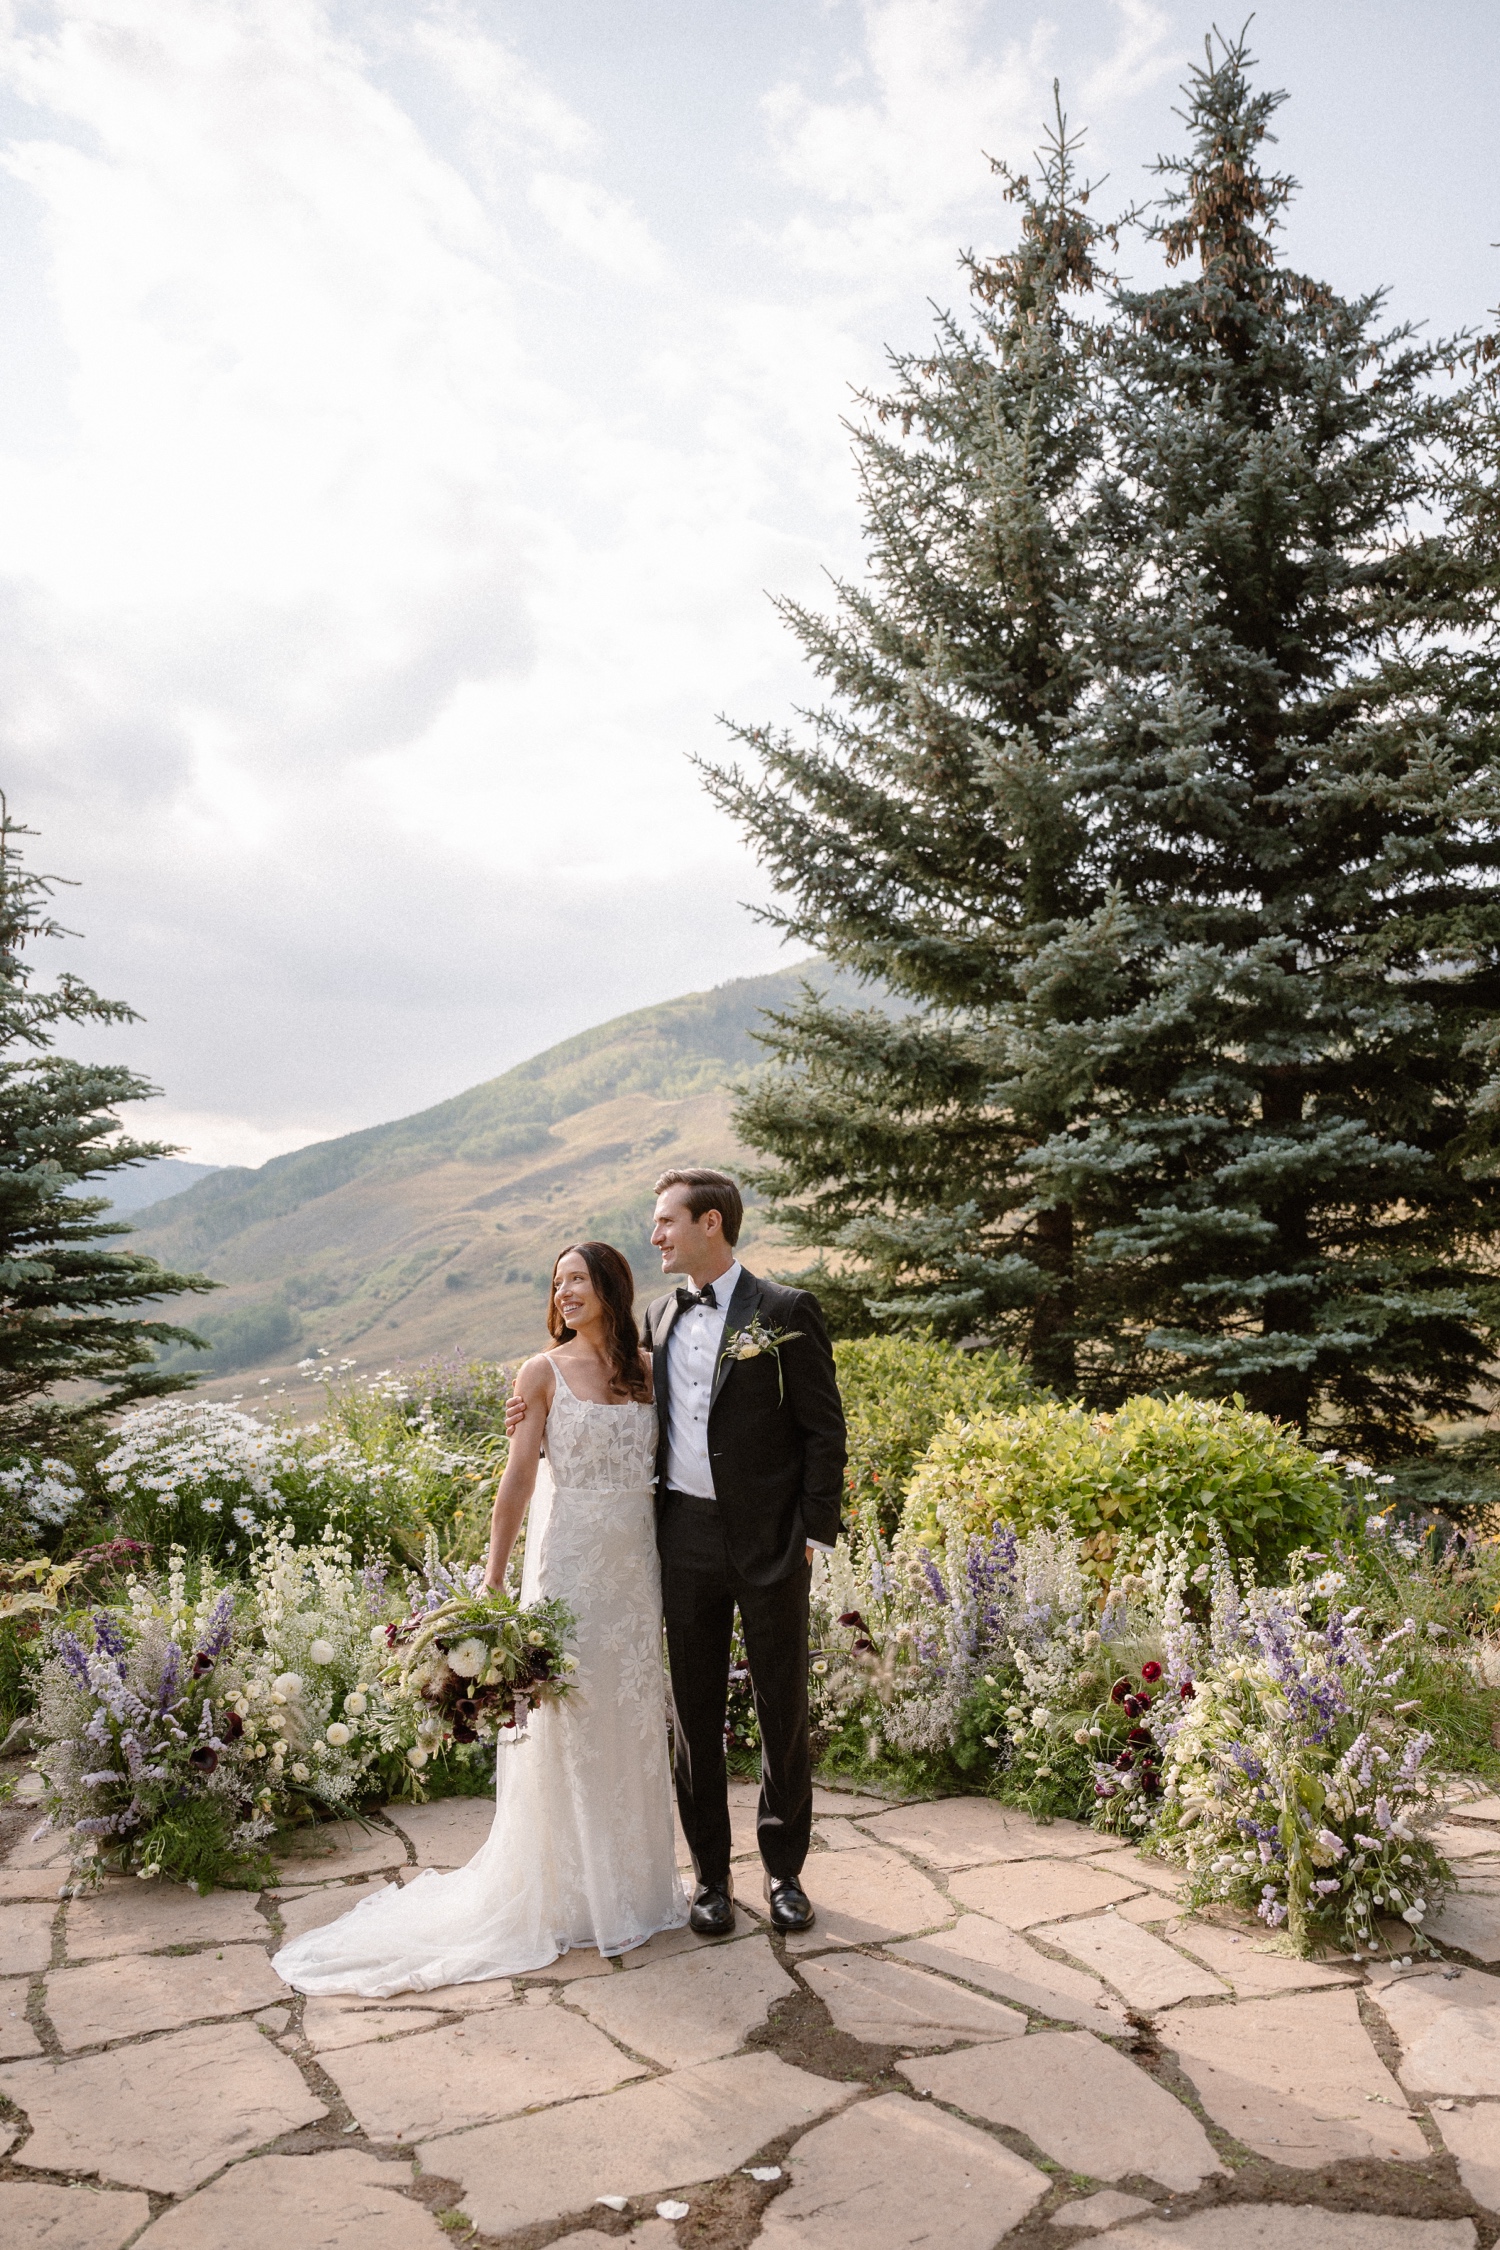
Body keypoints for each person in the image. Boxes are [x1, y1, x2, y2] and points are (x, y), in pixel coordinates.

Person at [271, 1241, 686, 1995]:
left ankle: (638, 1890)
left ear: (613, 1289)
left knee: (629, 1716)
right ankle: (569, 1896)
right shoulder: (542, 1372)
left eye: (578, 1281)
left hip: (635, 1572)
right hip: (565, 1569)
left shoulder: (651, 1373)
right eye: (557, 1282)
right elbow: (519, 1476)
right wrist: (491, 1586)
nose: (564, 1293)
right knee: (569, 1720)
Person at [643, 1168, 847, 1936]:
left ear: (711, 1225)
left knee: (780, 1706)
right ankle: (709, 1882)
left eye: (666, 1221)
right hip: (683, 1539)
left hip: (770, 1544)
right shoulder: (658, 1316)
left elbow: (825, 1430)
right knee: (694, 1716)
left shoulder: (786, 1311)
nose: (656, 1235)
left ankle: (784, 1872)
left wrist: (811, 1533)